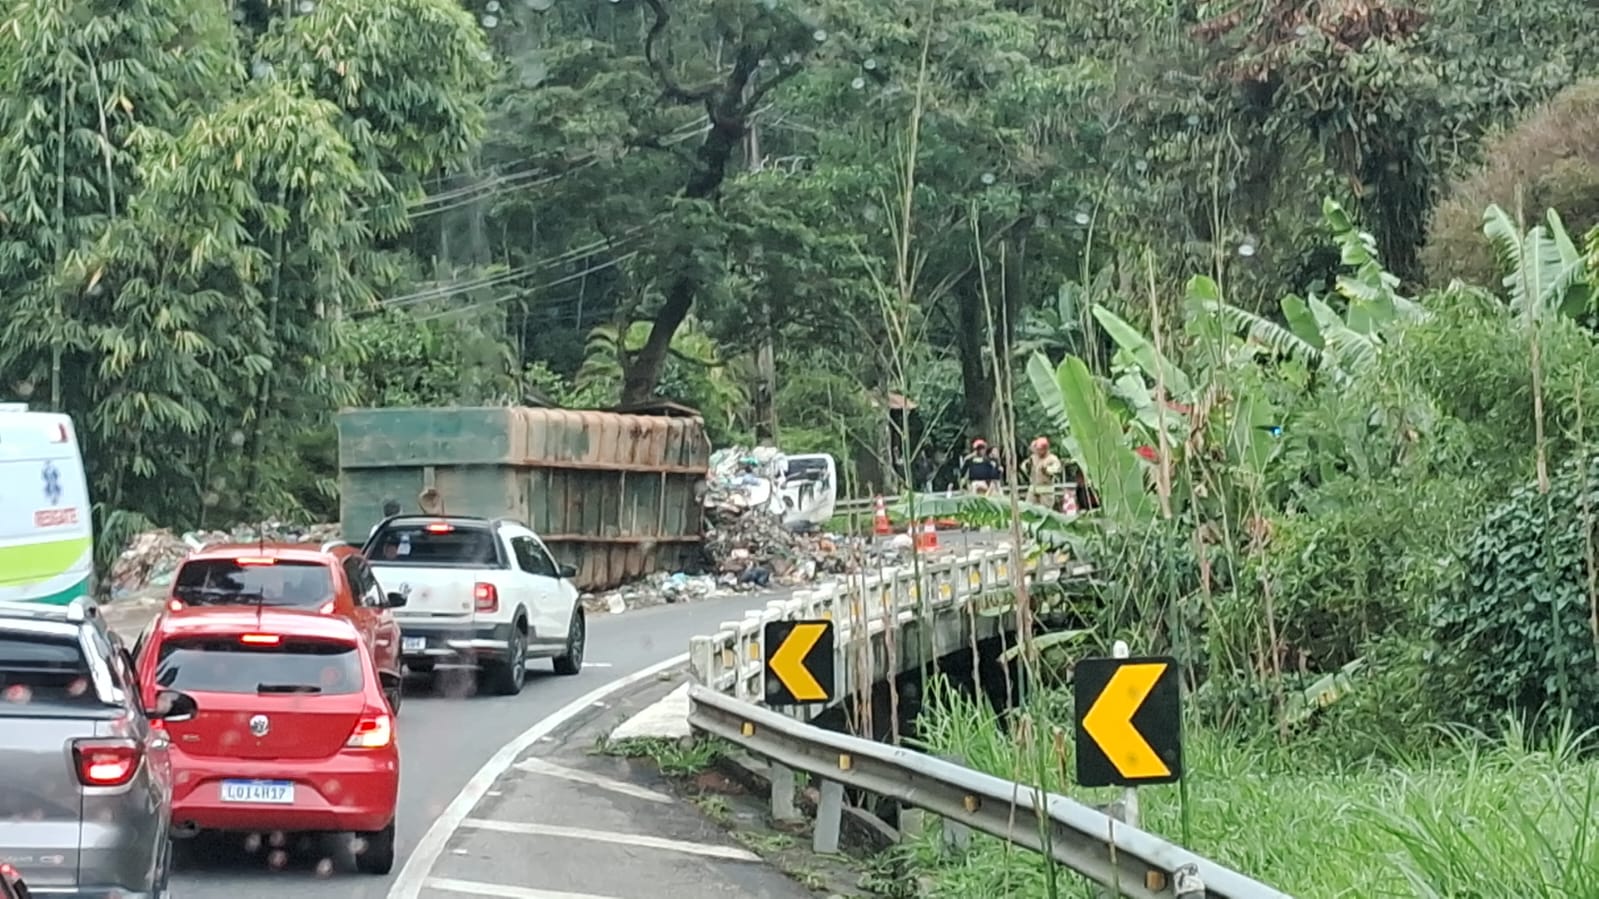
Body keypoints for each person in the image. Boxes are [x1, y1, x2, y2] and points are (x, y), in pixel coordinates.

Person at [1025, 437, 1063, 505]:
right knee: (1028, 509)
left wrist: (1046, 470)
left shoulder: (1052, 459)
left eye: (1040, 450)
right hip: (1033, 490)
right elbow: (1025, 468)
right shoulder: (1033, 458)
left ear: (1045, 449)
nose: (1038, 451)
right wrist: (1027, 467)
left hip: (1046, 491)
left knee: (1045, 512)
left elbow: (1056, 469)